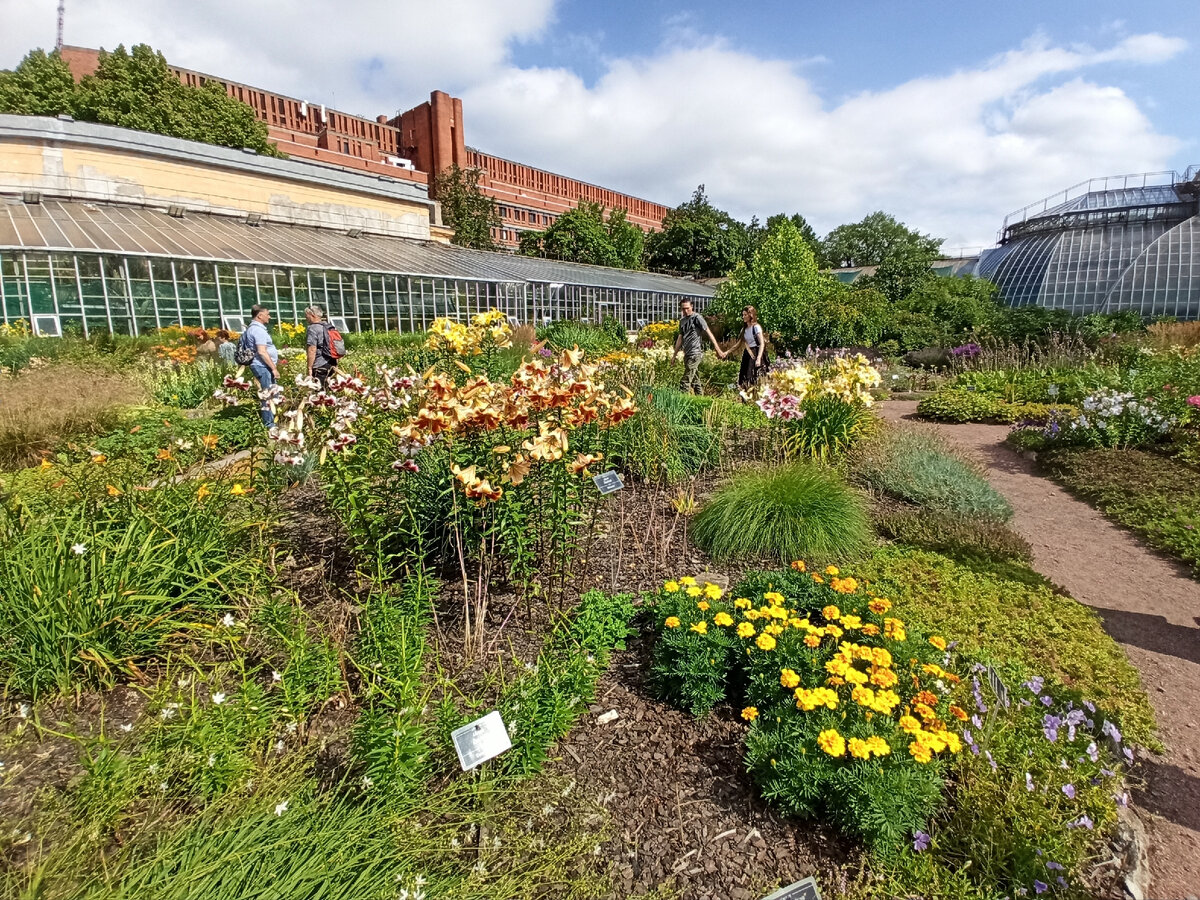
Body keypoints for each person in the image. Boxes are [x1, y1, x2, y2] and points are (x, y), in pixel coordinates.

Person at [672, 299, 725, 394]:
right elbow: (680, 338)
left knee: (685, 381)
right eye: (683, 309)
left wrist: (718, 349)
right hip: (687, 354)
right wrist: (674, 355)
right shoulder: (682, 321)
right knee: (695, 381)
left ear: (692, 306)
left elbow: (709, 332)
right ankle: (701, 400)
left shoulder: (697, 318)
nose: (685, 311)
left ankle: (681, 401)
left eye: (687, 308)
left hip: (695, 354)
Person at [241, 305, 280, 427]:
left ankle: (273, 421)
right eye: (267, 314)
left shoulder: (253, 329)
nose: (269, 316)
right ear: (260, 315)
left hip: (261, 365)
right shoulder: (258, 330)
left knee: (271, 393)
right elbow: (262, 351)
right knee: (267, 395)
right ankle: (269, 425)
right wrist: (274, 368)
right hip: (262, 366)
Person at [733, 306, 769, 389]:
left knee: (754, 376)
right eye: (743, 315)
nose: (743, 317)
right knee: (744, 376)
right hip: (747, 354)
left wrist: (759, 358)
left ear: (750, 315)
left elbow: (762, 344)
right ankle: (745, 396)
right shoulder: (744, 329)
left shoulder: (756, 327)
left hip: (756, 352)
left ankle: (755, 395)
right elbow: (738, 344)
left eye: (745, 315)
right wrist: (726, 352)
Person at [304, 305, 337, 387]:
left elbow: (312, 349)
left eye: (306, 315)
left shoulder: (312, 328)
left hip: (319, 364)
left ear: (312, 315)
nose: (305, 318)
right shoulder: (328, 326)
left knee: (319, 392)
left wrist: (309, 368)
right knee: (330, 389)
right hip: (332, 363)